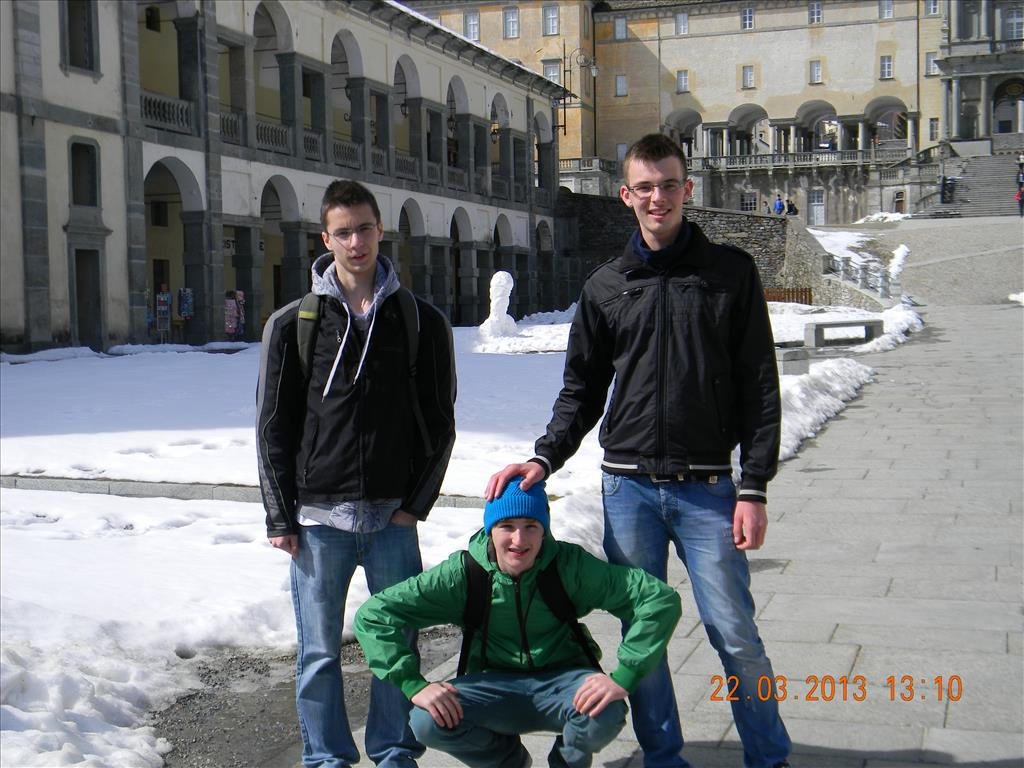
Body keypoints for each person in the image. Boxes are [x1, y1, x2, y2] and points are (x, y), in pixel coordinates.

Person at [486, 133, 791, 768]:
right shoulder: (605, 285)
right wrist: (543, 458)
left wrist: (755, 485)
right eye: (645, 187)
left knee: (735, 633)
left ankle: (769, 756)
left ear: (687, 189)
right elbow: (582, 391)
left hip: (709, 487)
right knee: (642, 638)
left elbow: (760, 386)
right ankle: (663, 757)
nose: (658, 197)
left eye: (669, 185)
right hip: (627, 489)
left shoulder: (730, 272)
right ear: (626, 196)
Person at [257, 179, 457, 768]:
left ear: (380, 230)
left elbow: (440, 422)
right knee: (318, 652)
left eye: (364, 228)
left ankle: (394, 751)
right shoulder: (295, 322)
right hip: (319, 520)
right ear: (326, 239)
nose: (355, 242)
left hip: (393, 519)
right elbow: (273, 425)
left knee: (397, 646)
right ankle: (327, 758)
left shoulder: (419, 320)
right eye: (342, 232)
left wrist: (414, 505)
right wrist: (279, 515)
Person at [353, 478, 682, 768]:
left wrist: (625, 675)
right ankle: (507, 761)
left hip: (564, 684)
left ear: (545, 530)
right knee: (427, 719)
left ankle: (566, 762)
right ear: (490, 530)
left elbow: (659, 599)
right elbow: (374, 615)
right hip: (493, 686)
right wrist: (414, 685)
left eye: (531, 526)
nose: (519, 540)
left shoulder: (569, 566)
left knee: (606, 711)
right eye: (506, 526)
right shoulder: (462, 575)